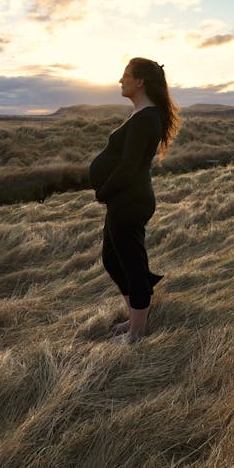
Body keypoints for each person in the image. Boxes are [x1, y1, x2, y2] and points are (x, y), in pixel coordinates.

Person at [89, 57, 180, 343]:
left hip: (130, 200)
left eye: (125, 76)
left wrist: (102, 192)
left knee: (131, 264)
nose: (120, 80)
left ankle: (138, 332)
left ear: (139, 82)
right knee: (113, 259)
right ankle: (134, 319)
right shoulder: (142, 114)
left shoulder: (147, 117)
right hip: (125, 199)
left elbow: (129, 167)